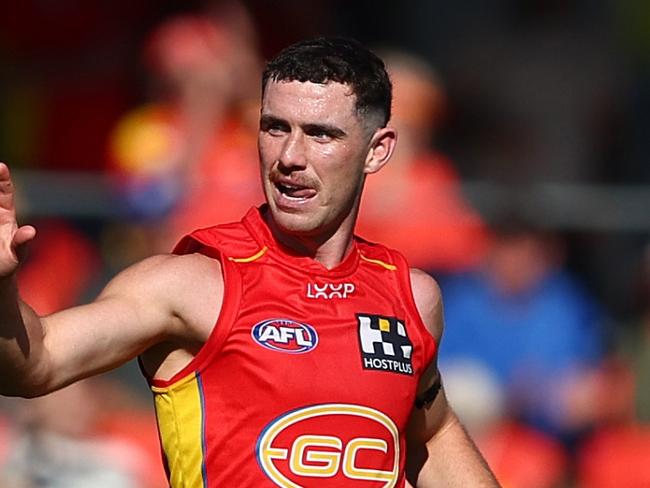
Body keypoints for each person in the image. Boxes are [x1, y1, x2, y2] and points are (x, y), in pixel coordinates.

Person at [0, 37, 499, 487]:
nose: (290, 156)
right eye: (275, 128)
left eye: (321, 134)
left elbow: (432, 433)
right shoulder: (191, 283)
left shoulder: (409, 296)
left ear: (377, 150)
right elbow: (33, 365)